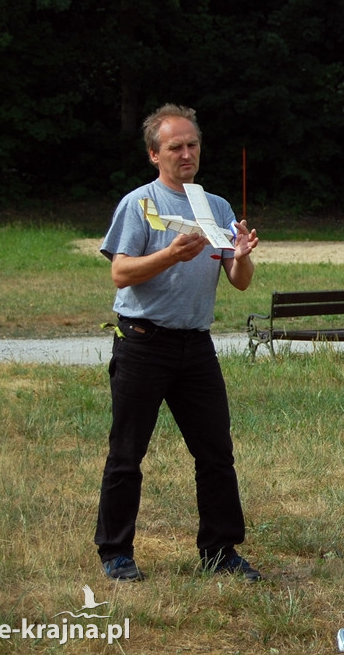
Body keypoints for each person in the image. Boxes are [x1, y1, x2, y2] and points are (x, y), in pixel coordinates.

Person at [95, 103, 262, 582]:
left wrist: (243, 256)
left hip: (196, 347)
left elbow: (239, 280)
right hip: (143, 342)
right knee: (127, 454)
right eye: (175, 147)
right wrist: (168, 255)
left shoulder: (216, 207)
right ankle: (116, 553)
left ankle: (220, 551)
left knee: (215, 453)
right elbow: (119, 272)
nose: (186, 154)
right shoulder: (139, 203)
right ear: (154, 154)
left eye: (192, 145)